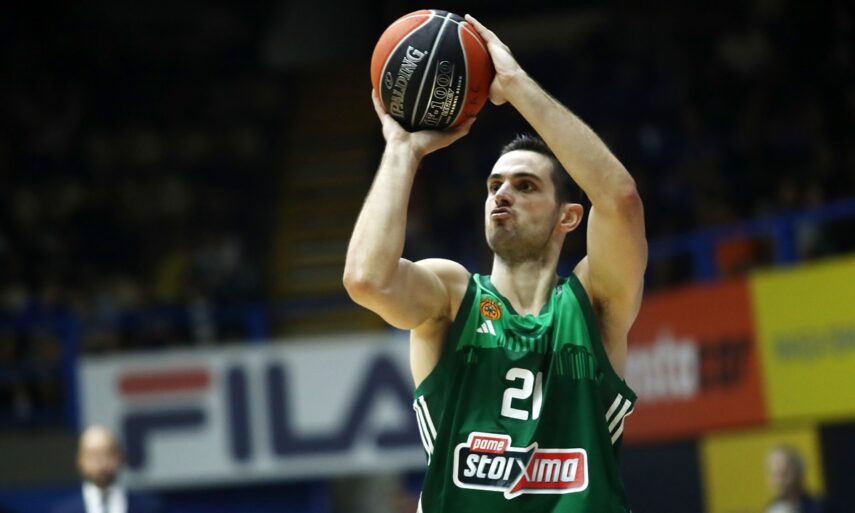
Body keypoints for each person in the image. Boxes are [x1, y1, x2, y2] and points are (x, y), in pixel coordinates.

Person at [344, 14, 646, 513]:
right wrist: (401, 150)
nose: (502, 194)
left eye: (525, 186)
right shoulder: (452, 296)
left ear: (568, 216)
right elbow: (366, 280)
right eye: (494, 186)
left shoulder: (592, 303)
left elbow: (620, 200)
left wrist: (517, 86)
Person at [52, 425, 165, 513]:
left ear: (120, 457)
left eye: (107, 454)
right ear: (80, 461)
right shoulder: (63, 511)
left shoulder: (149, 508)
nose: (101, 463)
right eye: (93, 455)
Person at [764, 445, 827, 513]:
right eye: (773, 474)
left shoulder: (822, 508)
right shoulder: (770, 509)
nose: (778, 481)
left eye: (784, 473)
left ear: (799, 474)